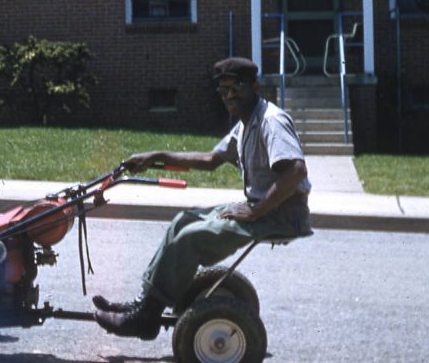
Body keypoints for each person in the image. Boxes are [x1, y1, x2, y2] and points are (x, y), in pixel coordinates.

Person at [93, 56, 312, 340]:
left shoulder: (271, 120)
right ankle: (146, 304)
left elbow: (295, 171)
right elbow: (211, 159)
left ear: (255, 86)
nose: (230, 96)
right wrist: (157, 157)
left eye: (237, 88)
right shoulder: (246, 121)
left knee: (190, 239)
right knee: (181, 223)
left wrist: (256, 213)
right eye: (223, 90)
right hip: (262, 207)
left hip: (282, 214)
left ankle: (145, 319)